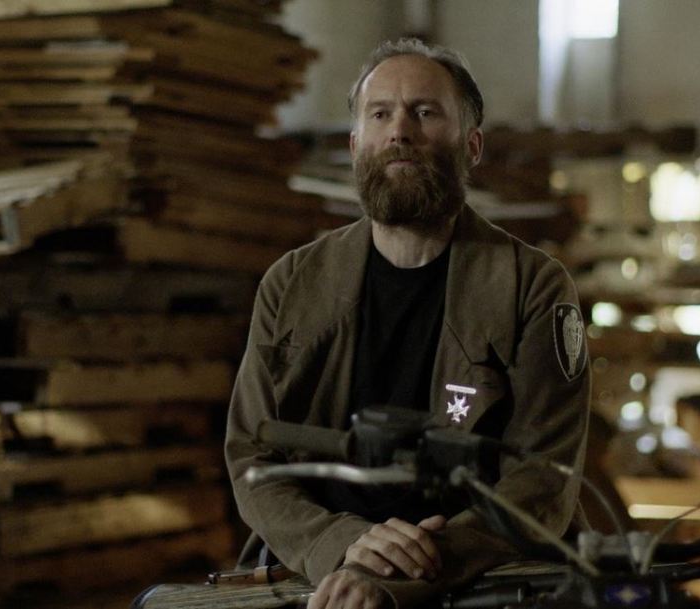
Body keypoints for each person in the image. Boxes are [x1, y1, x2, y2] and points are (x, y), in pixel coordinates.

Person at [225, 38, 590, 609]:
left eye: (424, 112)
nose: (400, 131)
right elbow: (252, 456)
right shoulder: (291, 284)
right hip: (320, 571)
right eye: (380, 114)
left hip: (480, 575)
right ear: (356, 146)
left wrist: (410, 567)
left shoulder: (533, 287)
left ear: (471, 145)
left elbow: (544, 482)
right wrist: (341, 545)